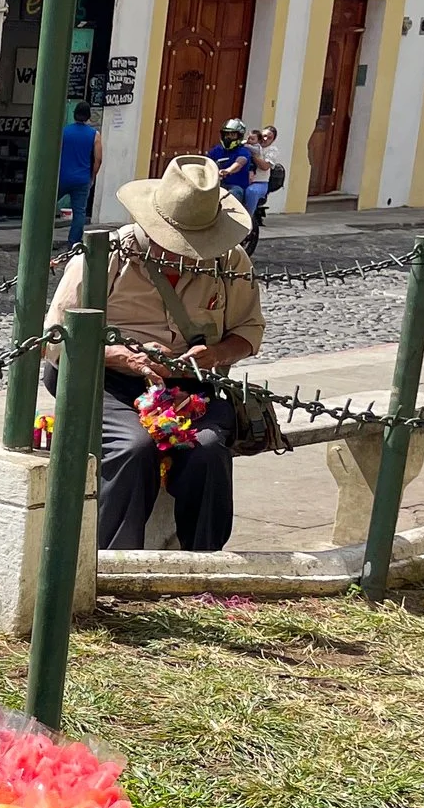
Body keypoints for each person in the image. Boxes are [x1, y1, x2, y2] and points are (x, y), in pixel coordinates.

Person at [45, 157, 266, 552]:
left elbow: (249, 332)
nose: (190, 255)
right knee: (134, 448)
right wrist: (125, 356)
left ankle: (205, 568)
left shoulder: (231, 261)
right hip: (105, 379)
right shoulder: (105, 256)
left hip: (192, 385)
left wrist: (214, 354)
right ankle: (114, 567)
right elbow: (54, 339)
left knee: (209, 450)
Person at [59, 102, 99, 248]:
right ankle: (74, 242)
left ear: (74, 114)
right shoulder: (94, 135)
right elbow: (98, 159)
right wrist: (92, 177)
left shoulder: (64, 132)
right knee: (79, 212)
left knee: (48, 206)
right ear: (88, 116)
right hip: (82, 179)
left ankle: (41, 235)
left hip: (62, 177)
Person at [209, 119, 255, 204]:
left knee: (233, 195)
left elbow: (239, 163)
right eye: (226, 134)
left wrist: (228, 170)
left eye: (232, 134)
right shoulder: (217, 149)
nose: (228, 137)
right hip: (216, 185)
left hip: (235, 186)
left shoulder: (243, 151)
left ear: (239, 136)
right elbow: (206, 162)